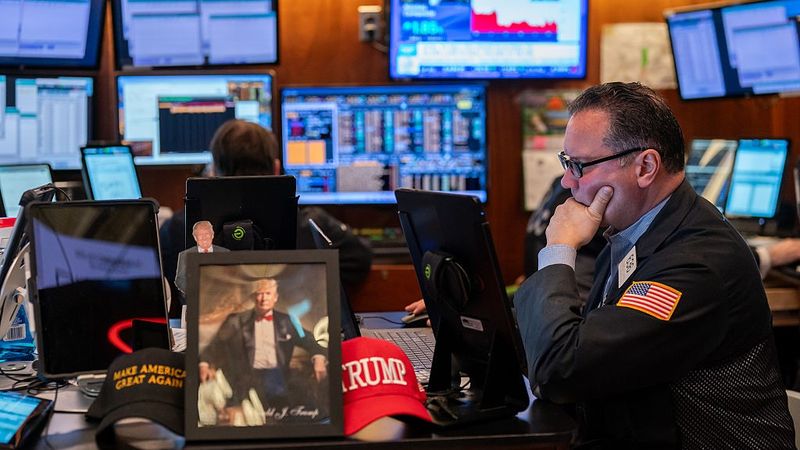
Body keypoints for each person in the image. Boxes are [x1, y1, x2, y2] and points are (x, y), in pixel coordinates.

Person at [513, 82, 794, 448]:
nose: (567, 183)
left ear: (645, 166)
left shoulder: (696, 263)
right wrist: (479, 314)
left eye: (580, 166)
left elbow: (563, 371)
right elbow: (584, 333)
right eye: (567, 163)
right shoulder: (638, 232)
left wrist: (559, 246)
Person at [159, 120, 372, 314]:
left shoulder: (177, 227)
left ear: (213, 170)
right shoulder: (311, 223)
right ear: (276, 167)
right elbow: (360, 258)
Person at [200, 278, 327, 415]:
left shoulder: (287, 321)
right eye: (260, 293)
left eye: (268, 293)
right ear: (254, 297)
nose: (263, 298)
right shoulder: (235, 321)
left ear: (275, 297)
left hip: (279, 379)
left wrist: (319, 359)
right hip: (244, 380)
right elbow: (214, 345)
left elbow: (310, 342)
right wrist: (204, 364)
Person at [174, 220, 229, 294]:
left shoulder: (225, 253)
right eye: (200, 235)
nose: (204, 238)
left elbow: (232, 277)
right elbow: (180, 280)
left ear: (212, 235)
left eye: (207, 234)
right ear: (195, 238)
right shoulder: (185, 255)